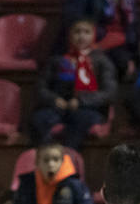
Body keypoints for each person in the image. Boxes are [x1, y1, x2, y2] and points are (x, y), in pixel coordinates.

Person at [32, 17, 119, 150]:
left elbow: (109, 92)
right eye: (77, 32)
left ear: (93, 35)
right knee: (39, 119)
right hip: (58, 107)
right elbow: (41, 87)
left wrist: (81, 101)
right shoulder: (58, 60)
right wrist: (54, 99)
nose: (81, 36)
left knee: (80, 120)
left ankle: (70, 158)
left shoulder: (102, 61)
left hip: (88, 108)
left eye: (86, 32)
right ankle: (46, 157)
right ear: (70, 35)